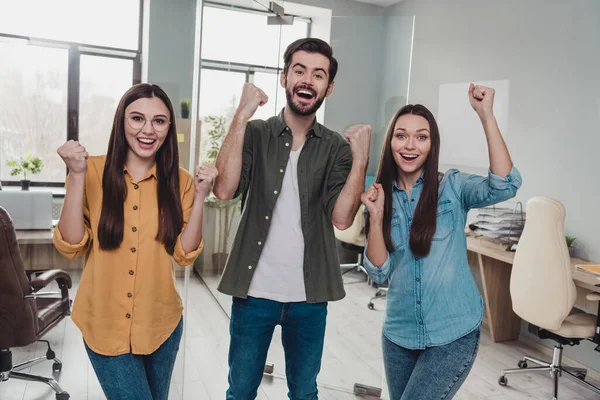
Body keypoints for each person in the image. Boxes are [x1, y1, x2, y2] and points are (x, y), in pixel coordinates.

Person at [212, 37, 371, 400]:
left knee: (304, 392)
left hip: (309, 298)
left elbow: (343, 219)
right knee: (240, 391)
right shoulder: (254, 133)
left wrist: (360, 160)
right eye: (299, 70)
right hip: (254, 294)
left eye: (318, 74)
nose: (307, 80)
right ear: (284, 77)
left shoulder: (336, 149)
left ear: (328, 87)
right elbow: (223, 190)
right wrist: (240, 115)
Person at [53, 83, 217, 400]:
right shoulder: (91, 171)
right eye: (137, 118)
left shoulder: (181, 181)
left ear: (168, 128)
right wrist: (75, 175)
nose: (147, 130)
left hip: (162, 323)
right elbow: (70, 245)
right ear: (122, 122)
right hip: (104, 323)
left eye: (159, 121)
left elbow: (184, 254)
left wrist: (199, 197)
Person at [361, 84, 522, 400]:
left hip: (452, 333)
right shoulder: (379, 196)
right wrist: (377, 218)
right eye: (401, 135)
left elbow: (505, 185)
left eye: (421, 136)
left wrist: (485, 114)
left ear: (432, 144)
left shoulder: (453, 187)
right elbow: (379, 273)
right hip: (398, 335)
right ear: (390, 141)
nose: (411, 145)